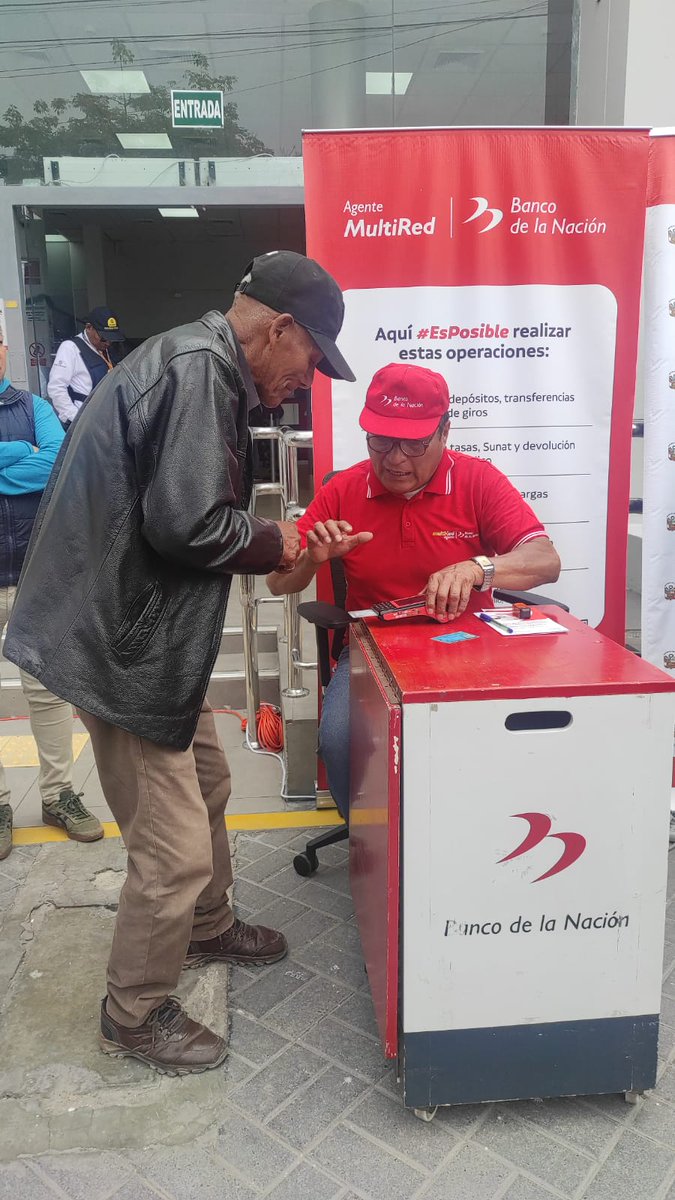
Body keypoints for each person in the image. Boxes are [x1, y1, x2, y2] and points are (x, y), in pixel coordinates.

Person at [4, 249, 354, 1075]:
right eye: (311, 358)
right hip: (121, 644)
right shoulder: (201, 368)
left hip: (149, 634)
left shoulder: (198, 361)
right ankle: (133, 1012)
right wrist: (279, 538)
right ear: (280, 328)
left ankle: (206, 926)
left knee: (210, 784)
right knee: (172, 852)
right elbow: (187, 524)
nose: (306, 381)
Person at [267, 362, 561, 820]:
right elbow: (278, 581)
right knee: (341, 739)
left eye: (414, 443)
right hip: (373, 651)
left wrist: (478, 568)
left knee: (501, 734)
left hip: (469, 646)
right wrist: (311, 559)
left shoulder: (478, 480)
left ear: (445, 432)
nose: (396, 459)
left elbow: (546, 561)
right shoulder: (344, 490)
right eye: (381, 441)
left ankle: (476, 827)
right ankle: (370, 843)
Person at [0, 327, 102, 861]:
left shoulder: (35, 407)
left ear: (4, 349)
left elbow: (55, 462)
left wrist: (20, 456)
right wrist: (22, 452)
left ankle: (58, 795)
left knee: (47, 690)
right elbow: (35, 461)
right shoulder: (30, 423)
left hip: (33, 572)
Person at [47, 306, 125, 428]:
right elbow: (56, 388)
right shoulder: (70, 348)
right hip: (84, 421)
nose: (108, 342)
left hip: (107, 420)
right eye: (103, 337)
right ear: (89, 328)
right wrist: (75, 419)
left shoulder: (107, 349)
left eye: (111, 338)